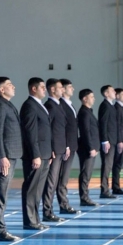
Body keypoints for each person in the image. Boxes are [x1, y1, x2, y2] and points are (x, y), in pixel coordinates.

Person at [0, 76, 22, 242]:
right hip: (5, 156)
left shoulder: (7, 104)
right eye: (9, 85)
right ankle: (0, 230)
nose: (13, 86)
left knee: (4, 193)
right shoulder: (0, 106)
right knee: (1, 193)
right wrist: (2, 156)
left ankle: (1, 228)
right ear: (1, 89)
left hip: (11, 154)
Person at [20, 77, 51, 231]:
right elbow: (31, 133)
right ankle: (29, 221)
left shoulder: (39, 105)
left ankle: (35, 219)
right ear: (34, 89)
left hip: (44, 153)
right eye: (42, 87)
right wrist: (35, 155)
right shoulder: (29, 106)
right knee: (31, 188)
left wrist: (48, 152)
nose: (45, 90)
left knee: (38, 190)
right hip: (36, 155)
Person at [41, 78, 69, 223]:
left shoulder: (58, 105)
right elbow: (48, 130)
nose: (63, 90)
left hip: (60, 148)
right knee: (50, 182)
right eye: (60, 87)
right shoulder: (50, 106)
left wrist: (66, 146)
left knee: (55, 181)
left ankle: (50, 210)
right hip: (54, 150)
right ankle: (47, 212)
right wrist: (51, 148)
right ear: (52, 89)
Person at [56, 79, 80, 215]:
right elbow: (62, 128)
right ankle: (63, 204)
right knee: (62, 177)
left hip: (71, 145)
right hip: (66, 146)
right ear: (63, 89)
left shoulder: (69, 104)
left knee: (64, 177)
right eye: (70, 87)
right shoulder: (61, 105)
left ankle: (64, 203)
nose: (73, 89)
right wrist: (66, 146)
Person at [76, 89, 100, 207]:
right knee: (85, 173)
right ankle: (84, 198)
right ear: (85, 99)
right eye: (91, 97)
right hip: (87, 148)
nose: (93, 99)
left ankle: (85, 196)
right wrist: (91, 147)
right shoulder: (84, 113)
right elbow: (85, 132)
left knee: (88, 173)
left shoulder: (88, 112)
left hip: (91, 147)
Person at [97, 85, 117, 198]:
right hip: (108, 141)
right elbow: (103, 123)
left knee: (109, 166)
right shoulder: (105, 106)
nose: (114, 92)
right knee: (106, 166)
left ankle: (106, 189)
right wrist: (105, 140)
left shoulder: (111, 106)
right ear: (106, 93)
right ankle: (104, 190)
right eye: (112, 91)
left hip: (112, 140)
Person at [111, 88, 123, 195]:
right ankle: (115, 186)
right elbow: (117, 126)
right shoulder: (117, 108)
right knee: (117, 164)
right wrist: (119, 141)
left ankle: (117, 185)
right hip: (121, 140)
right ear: (117, 96)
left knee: (119, 165)